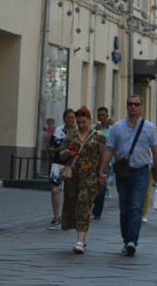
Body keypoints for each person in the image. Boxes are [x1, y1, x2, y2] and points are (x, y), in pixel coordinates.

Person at [99, 95, 157, 256]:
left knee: (135, 207)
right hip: (123, 173)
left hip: (141, 172)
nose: (133, 107)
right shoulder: (117, 128)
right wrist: (102, 170)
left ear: (141, 107)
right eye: (130, 104)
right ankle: (126, 238)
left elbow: (156, 152)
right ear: (127, 106)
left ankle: (132, 241)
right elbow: (109, 150)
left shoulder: (149, 128)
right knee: (124, 209)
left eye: (136, 104)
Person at [58, 107, 106, 253]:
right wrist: (67, 151)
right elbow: (61, 155)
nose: (81, 125)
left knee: (84, 206)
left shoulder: (98, 136)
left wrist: (102, 174)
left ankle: (79, 241)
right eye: (78, 122)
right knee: (73, 205)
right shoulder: (71, 134)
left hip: (90, 177)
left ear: (90, 120)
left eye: (84, 122)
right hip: (73, 177)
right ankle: (82, 238)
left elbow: (104, 156)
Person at [47, 108, 76, 230]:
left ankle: (69, 218)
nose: (71, 120)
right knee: (55, 191)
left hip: (71, 165)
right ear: (64, 118)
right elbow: (50, 148)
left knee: (70, 193)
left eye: (72, 117)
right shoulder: (58, 131)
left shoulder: (78, 131)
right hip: (57, 164)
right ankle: (56, 217)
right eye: (68, 117)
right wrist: (60, 148)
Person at [91, 107, 114, 220]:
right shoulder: (92, 129)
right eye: (99, 115)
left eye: (103, 115)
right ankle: (93, 206)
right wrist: (96, 131)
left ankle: (97, 211)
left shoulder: (112, 130)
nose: (101, 117)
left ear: (107, 116)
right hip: (93, 162)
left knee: (101, 188)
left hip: (106, 163)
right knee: (91, 186)